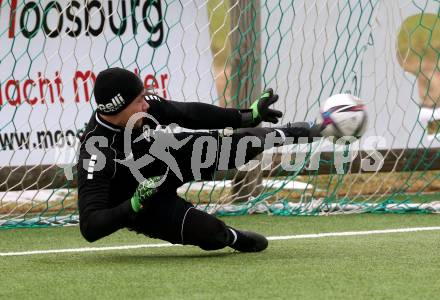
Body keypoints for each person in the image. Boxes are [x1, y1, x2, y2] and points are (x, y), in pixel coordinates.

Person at [77, 67, 321, 252]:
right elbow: (90, 226)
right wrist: (133, 204)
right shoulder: (96, 151)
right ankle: (231, 235)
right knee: (210, 234)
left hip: (163, 159)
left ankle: (292, 133)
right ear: (117, 108)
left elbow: (188, 114)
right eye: (138, 100)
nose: (146, 104)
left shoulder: (144, 108)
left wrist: (248, 116)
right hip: (142, 201)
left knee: (235, 145)